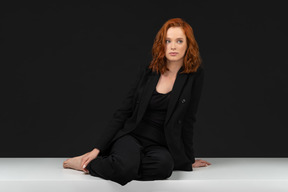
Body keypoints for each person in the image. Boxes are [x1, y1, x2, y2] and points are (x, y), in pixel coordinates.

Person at [63, 18, 211, 186]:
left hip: (160, 145)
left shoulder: (195, 75)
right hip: (132, 137)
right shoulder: (150, 70)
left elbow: (188, 119)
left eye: (179, 41)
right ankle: (88, 164)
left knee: (164, 168)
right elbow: (124, 110)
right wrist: (96, 149)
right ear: (162, 44)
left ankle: (122, 165)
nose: (173, 46)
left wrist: (188, 160)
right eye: (168, 41)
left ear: (188, 44)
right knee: (126, 166)